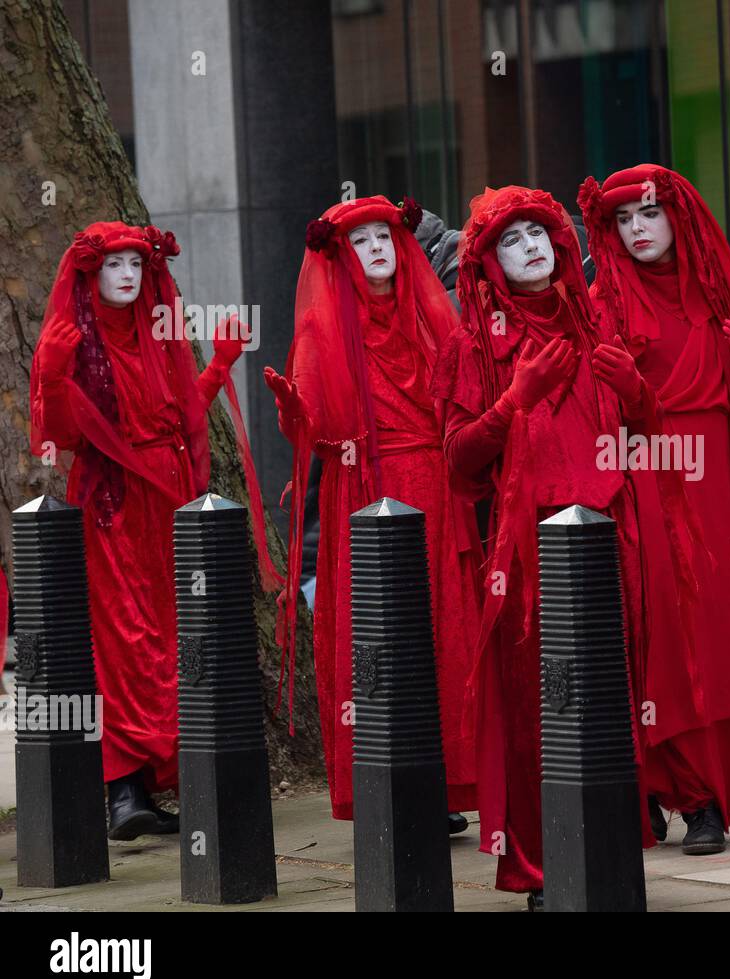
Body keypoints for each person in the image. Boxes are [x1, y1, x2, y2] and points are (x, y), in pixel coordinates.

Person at [437, 185, 657, 909]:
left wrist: (636, 392)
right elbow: (461, 457)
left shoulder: (592, 318)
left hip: (605, 533)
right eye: (512, 240)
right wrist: (514, 400)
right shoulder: (474, 341)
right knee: (541, 709)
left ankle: (610, 855)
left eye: (540, 232)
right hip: (529, 552)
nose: (532, 247)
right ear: (490, 262)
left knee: (609, 699)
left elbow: (638, 434)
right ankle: (542, 866)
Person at [29, 221, 267, 838]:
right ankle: (123, 791)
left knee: (174, 629)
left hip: (172, 498)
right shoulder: (71, 337)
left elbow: (184, 414)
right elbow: (61, 438)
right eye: (114, 265)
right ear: (90, 274)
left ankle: (172, 778)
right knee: (123, 638)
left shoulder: (158, 332)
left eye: (137, 263)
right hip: (112, 500)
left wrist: (218, 363)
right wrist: (54, 377)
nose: (129, 275)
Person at [264, 195, 481, 824]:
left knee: (442, 630)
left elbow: (465, 395)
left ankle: (442, 779)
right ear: (340, 256)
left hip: (435, 487)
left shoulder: (434, 312)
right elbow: (311, 427)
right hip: (363, 491)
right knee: (377, 635)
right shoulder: (323, 324)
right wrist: (292, 410)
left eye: (385, 236)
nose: (378, 248)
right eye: (361, 241)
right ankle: (392, 779)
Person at [578, 164, 730, 852]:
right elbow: (598, 411)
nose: (637, 230)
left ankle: (716, 789)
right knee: (661, 630)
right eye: (623, 220)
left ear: (677, 219)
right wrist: (631, 396)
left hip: (719, 476)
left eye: (648, 215)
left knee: (719, 629)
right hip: (649, 477)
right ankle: (684, 796)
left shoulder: (718, 292)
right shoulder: (602, 302)